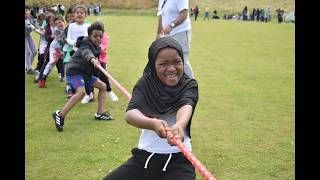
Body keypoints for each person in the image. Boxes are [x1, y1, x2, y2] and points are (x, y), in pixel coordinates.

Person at [103, 37, 199, 180]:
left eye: (177, 62)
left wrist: (179, 125)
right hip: (145, 158)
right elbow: (131, 114)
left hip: (180, 160)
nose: (172, 68)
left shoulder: (189, 84)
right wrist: (152, 123)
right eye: (163, 64)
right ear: (154, 65)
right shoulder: (144, 84)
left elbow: (186, 105)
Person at [52, 22, 114, 132]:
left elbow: (93, 65)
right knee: (81, 92)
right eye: (95, 36)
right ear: (90, 36)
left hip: (86, 74)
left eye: (100, 36)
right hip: (75, 72)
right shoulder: (85, 43)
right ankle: (60, 114)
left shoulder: (97, 48)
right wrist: (92, 59)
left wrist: (97, 63)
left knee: (103, 86)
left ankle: (100, 113)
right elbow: (86, 53)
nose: (98, 39)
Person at [156, 0, 195, 79]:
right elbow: (161, 17)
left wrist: (171, 25)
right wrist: (158, 34)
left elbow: (184, 14)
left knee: (182, 61)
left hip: (180, 32)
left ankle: (192, 88)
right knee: (168, 61)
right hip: (167, 35)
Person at [38, 15, 66, 88]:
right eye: (56, 24)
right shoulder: (57, 31)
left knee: (65, 63)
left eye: (60, 22)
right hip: (54, 48)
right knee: (52, 62)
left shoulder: (67, 29)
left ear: (63, 21)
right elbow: (62, 40)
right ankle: (43, 78)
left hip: (62, 49)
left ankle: (66, 79)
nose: (59, 24)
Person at [25, 7, 37, 75]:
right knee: (28, 52)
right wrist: (41, 32)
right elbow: (33, 28)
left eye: (26, 12)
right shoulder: (25, 21)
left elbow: (36, 25)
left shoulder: (32, 18)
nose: (26, 14)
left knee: (35, 51)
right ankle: (29, 69)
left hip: (28, 35)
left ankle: (28, 67)